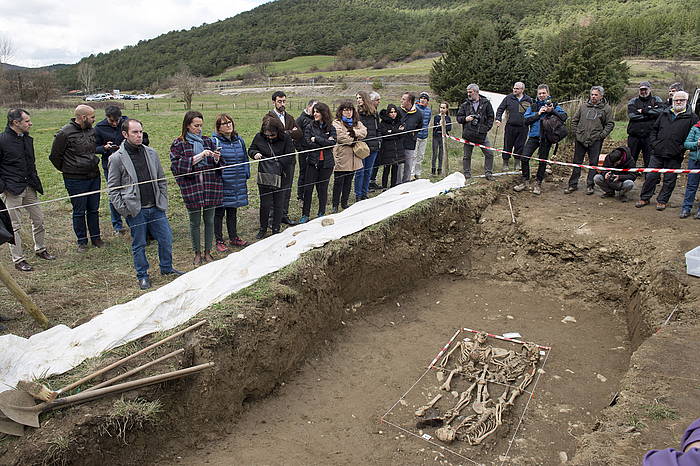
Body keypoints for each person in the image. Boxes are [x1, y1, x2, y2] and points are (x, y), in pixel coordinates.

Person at [108, 119, 183, 290]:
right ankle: (142, 275)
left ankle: (166, 268)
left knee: (166, 239)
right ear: (125, 134)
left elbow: (162, 180)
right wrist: (126, 211)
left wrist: (162, 199)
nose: (139, 135)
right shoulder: (116, 159)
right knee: (139, 244)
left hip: (156, 207)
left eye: (140, 131)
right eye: (135, 132)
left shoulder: (151, 153)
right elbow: (113, 190)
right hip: (136, 211)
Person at [0, 109, 56, 271]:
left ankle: (40, 249)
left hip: (30, 186)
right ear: (15, 123)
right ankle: (18, 260)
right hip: (11, 190)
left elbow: (30, 164)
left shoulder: (27, 139)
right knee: (14, 226)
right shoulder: (2, 140)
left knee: (39, 219)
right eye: (26, 121)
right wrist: (3, 188)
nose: (30, 124)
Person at [170, 111, 223, 266]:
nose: (199, 129)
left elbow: (219, 164)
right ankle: (197, 253)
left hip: (210, 186)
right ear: (187, 125)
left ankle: (208, 251)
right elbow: (176, 165)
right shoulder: (179, 144)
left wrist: (216, 158)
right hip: (192, 188)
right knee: (194, 222)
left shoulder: (208, 141)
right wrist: (199, 156)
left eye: (201, 125)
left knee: (209, 220)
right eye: (196, 126)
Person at [49, 104, 105, 251]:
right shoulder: (65, 133)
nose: (94, 120)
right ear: (83, 117)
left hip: (94, 175)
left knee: (93, 209)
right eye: (92, 117)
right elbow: (55, 156)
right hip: (75, 179)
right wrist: (68, 169)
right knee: (79, 210)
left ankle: (96, 238)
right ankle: (82, 241)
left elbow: (93, 150)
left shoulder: (91, 131)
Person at [636, 91, 699, 211]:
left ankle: (662, 201)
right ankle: (644, 197)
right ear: (673, 101)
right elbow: (654, 129)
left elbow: (693, 136)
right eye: (676, 100)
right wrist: (654, 144)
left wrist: (681, 149)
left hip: (675, 154)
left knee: (669, 179)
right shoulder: (664, 113)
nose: (679, 102)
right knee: (650, 176)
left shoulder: (692, 117)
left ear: (687, 101)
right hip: (657, 152)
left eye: (681, 100)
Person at [513, 84, 568, 195]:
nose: (542, 95)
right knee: (524, 157)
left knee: (542, 161)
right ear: (537, 94)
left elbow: (564, 117)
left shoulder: (554, 105)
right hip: (533, 136)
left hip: (546, 138)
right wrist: (538, 114)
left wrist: (552, 111)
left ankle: (538, 183)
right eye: (540, 93)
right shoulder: (533, 106)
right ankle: (525, 181)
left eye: (544, 93)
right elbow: (526, 121)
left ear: (548, 93)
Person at [249, 117, 294, 238]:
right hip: (265, 175)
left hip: (281, 175)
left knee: (279, 203)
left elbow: (290, 157)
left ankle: (276, 228)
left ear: (278, 131)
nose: (269, 137)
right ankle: (263, 228)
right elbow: (251, 149)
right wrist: (255, 154)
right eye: (267, 135)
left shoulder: (286, 138)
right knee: (265, 203)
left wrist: (276, 162)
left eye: (272, 135)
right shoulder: (259, 137)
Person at [566, 86, 615, 195]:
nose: (593, 96)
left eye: (596, 95)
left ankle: (590, 185)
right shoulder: (583, 106)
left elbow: (610, 124)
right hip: (580, 139)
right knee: (577, 163)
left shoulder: (606, 109)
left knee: (593, 163)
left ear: (601, 96)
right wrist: (576, 133)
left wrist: (601, 135)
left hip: (595, 140)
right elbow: (574, 120)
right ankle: (572, 184)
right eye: (592, 94)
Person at [210, 114, 249, 251]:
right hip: (222, 182)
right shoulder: (214, 141)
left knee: (233, 210)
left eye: (230, 122)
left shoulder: (239, 141)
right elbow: (212, 163)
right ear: (218, 128)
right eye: (224, 123)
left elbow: (245, 158)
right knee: (219, 212)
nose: (228, 125)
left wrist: (246, 173)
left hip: (236, 181)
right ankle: (219, 240)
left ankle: (234, 237)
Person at [266, 91, 302, 225]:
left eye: (284, 101)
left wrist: (285, 133)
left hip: (290, 158)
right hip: (275, 159)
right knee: (274, 188)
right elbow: (271, 134)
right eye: (279, 101)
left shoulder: (290, 117)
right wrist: (288, 132)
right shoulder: (268, 118)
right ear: (274, 102)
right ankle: (271, 218)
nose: (282, 104)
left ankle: (283, 215)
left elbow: (299, 133)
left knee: (287, 188)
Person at [299, 102, 336, 223]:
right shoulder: (309, 126)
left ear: (323, 113)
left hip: (327, 163)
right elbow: (308, 143)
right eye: (314, 111)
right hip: (312, 162)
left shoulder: (331, 127)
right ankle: (305, 214)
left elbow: (333, 143)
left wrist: (317, 139)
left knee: (322, 188)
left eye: (317, 112)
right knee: (308, 189)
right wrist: (325, 140)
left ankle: (321, 212)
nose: (315, 114)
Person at [94, 106, 128, 236]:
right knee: (114, 193)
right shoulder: (99, 128)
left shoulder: (127, 123)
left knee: (130, 191)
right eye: (111, 121)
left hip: (127, 162)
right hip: (109, 165)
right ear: (106, 117)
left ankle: (133, 220)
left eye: (116, 120)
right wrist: (104, 147)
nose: (114, 123)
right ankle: (117, 225)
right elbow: (93, 148)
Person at [332, 102, 367, 212]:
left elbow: (364, 132)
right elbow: (340, 137)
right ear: (341, 111)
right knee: (338, 182)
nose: (348, 112)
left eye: (350, 110)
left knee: (348, 181)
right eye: (346, 110)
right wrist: (354, 139)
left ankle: (344, 202)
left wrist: (353, 132)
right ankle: (335, 205)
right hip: (342, 156)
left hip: (353, 157)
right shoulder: (336, 123)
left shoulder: (357, 122)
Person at [456, 84, 496, 181]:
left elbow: (491, 117)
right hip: (468, 134)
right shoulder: (465, 104)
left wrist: (486, 128)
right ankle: (467, 174)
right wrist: (465, 119)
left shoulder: (486, 103)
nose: (468, 94)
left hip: (481, 134)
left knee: (489, 153)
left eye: (470, 92)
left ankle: (488, 173)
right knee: (466, 156)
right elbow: (458, 118)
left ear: (477, 92)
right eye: (468, 92)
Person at [495, 82, 533, 171]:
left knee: (520, 145)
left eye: (517, 89)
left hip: (523, 127)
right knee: (507, 144)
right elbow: (500, 109)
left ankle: (517, 163)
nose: (514, 90)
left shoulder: (528, 100)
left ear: (522, 90)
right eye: (514, 88)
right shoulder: (508, 98)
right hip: (510, 126)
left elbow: (533, 112)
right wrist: (498, 118)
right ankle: (505, 163)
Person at [627, 81, 663, 168]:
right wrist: (650, 115)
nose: (643, 92)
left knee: (649, 159)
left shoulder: (656, 100)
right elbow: (632, 116)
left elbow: (660, 112)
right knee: (631, 159)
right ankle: (628, 178)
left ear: (650, 89)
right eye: (641, 90)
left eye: (645, 89)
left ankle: (649, 179)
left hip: (649, 136)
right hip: (634, 136)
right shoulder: (633, 101)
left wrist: (643, 111)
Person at [354, 91, 380, 201]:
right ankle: (358, 194)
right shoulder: (356, 114)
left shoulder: (374, 113)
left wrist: (379, 140)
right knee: (360, 171)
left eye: (360, 97)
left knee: (368, 171)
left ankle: (364, 193)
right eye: (357, 98)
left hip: (373, 146)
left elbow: (378, 129)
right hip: (362, 146)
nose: (358, 100)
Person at [398, 92, 423, 183]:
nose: (401, 101)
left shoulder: (418, 114)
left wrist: (413, 135)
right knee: (399, 165)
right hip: (399, 142)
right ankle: (397, 183)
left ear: (409, 101)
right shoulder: (398, 110)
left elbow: (420, 126)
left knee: (408, 164)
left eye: (404, 99)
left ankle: (406, 182)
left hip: (410, 142)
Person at [295, 99, 317, 203]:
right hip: (304, 151)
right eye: (313, 108)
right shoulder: (300, 119)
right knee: (303, 172)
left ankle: (309, 194)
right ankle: (300, 196)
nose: (315, 111)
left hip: (314, 150)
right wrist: (300, 149)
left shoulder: (316, 119)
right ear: (308, 107)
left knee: (313, 172)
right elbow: (295, 136)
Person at [377, 104, 404, 189]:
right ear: (388, 113)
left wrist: (391, 132)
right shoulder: (383, 123)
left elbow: (401, 134)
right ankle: (384, 186)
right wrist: (396, 131)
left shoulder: (399, 121)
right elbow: (385, 134)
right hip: (387, 149)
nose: (393, 114)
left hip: (397, 149)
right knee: (386, 168)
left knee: (395, 168)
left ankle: (393, 186)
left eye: (394, 112)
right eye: (391, 112)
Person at [679, 119, 700, 218]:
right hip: (694, 161)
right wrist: (697, 144)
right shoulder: (695, 128)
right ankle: (686, 208)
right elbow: (686, 144)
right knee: (691, 186)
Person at [413, 91, 432, 179]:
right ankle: (412, 173)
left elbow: (427, 122)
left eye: (425, 98)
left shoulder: (429, 110)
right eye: (422, 98)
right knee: (414, 155)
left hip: (424, 135)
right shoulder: (415, 108)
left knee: (421, 155)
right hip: (416, 135)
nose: (423, 100)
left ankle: (418, 173)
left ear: (427, 101)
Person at [431, 102, 452, 175]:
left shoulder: (448, 118)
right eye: (441, 107)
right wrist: (440, 125)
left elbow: (449, 128)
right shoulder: (436, 117)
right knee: (435, 153)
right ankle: (433, 170)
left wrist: (444, 124)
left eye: (444, 108)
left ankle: (439, 169)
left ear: (446, 109)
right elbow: (434, 128)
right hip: (436, 137)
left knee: (441, 154)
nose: (442, 109)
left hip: (443, 138)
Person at [368, 91, 383, 191]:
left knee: (376, 163)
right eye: (377, 100)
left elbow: (378, 127)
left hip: (376, 141)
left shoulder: (376, 112)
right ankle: (367, 184)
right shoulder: (368, 113)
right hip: (369, 142)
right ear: (371, 101)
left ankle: (372, 181)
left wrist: (379, 139)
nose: (379, 102)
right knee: (368, 166)